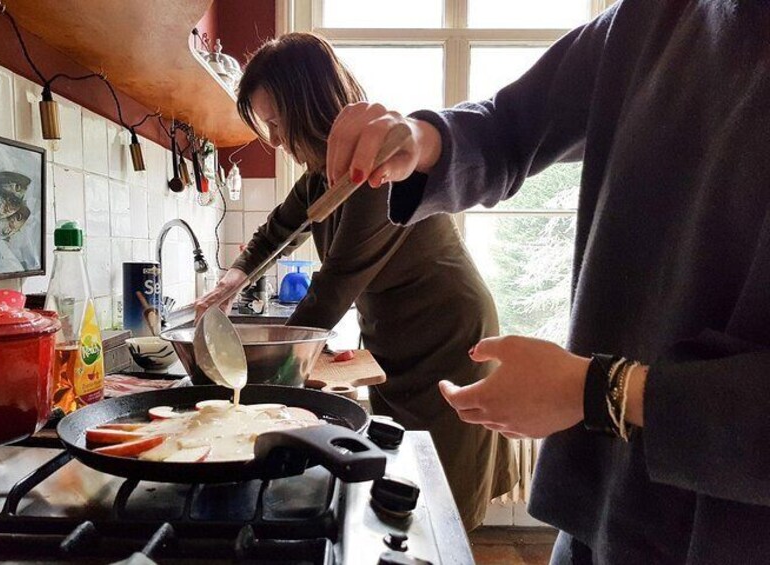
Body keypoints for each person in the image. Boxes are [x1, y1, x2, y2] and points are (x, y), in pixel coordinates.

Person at [324, 0, 770, 563]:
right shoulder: (652, 18)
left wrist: (601, 390)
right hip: (602, 502)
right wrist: (422, 140)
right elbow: (510, 123)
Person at [194, 32, 517, 530]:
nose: (275, 141)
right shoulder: (324, 173)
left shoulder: (376, 174)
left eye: (277, 122)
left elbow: (334, 287)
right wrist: (234, 278)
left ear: (306, 106)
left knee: (439, 491)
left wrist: (264, 374)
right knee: (398, 476)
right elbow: (278, 230)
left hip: (446, 334)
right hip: (393, 335)